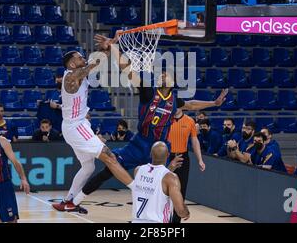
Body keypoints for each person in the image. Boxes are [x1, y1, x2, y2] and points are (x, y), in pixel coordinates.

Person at [67, 33, 227, 212]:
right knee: (107, 171)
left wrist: (214, 103)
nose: (162, 75)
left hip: (159, 149)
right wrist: (113, 47)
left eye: (166, 74)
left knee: (162, 186)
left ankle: (161, 215)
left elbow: (191, 104)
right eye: (162, 73)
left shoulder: (174, 101)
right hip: (139, 144)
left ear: (172, 82)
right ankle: (75, 201)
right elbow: (128, 70)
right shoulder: (148, 92)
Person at [52, 51, 135, 214]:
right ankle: (138, 190)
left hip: (79, 123)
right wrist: (101, 55)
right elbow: (89, 66)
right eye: (79, 57)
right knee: (109, 157)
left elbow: (94, 63)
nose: (82, 57)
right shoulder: (70, 78)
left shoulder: (79, 73)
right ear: (72, 64)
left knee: (88, 167)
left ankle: (69, 201)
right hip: (75, 127)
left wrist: (107, 48)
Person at [132, 142, 190, 223]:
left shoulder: (138, 170)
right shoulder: (171, 178)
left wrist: (169, 169)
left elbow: (154, 183)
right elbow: (180, 211)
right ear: (168, 155)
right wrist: (186, 213)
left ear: (151, 154)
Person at [167, 108, 205, 223]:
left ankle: (175, 221)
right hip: (168, 156)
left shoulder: (190, 121)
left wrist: (200, 159)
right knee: (164, 188)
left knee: (181, 190)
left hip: (183, 157)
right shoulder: (166, 120)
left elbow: (194, 141)